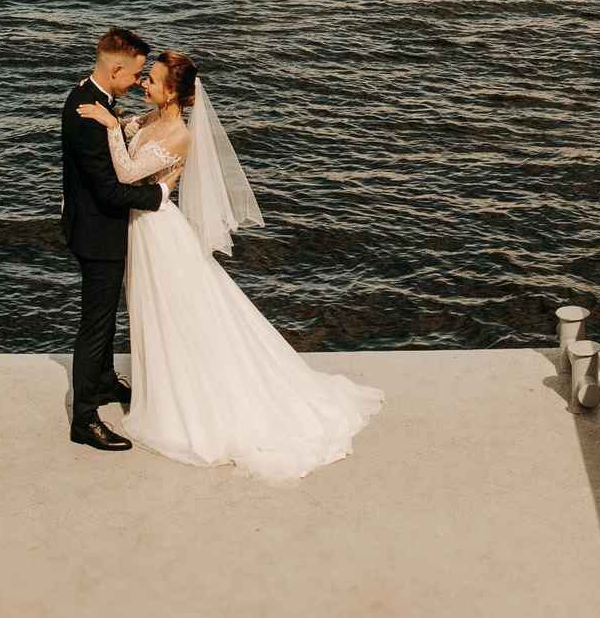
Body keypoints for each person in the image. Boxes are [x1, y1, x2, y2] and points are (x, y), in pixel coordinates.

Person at [79, 51, 383, 481]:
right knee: (157, 313)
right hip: (143, 227)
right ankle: (163, 383)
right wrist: (115, 117)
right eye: (145, 78)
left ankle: (188, 396)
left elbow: (127, 174)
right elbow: (130, 137)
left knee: (173, 313)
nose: (144, 84)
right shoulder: (149, 121)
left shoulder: (180, 135)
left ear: (171, 94)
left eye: (152, 81)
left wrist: (111, 128)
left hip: (157, 230)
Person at [59, 28, 172, 451]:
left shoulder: (86, 98)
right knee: (96, 323)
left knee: (102, 318)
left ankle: (104, 381)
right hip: (98, 233)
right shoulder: (89, 117)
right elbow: (109, 190)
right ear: (117, 68)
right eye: (137, 74)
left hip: (86, 223)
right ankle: (84, 418)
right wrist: (159, 194)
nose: (138, 82)